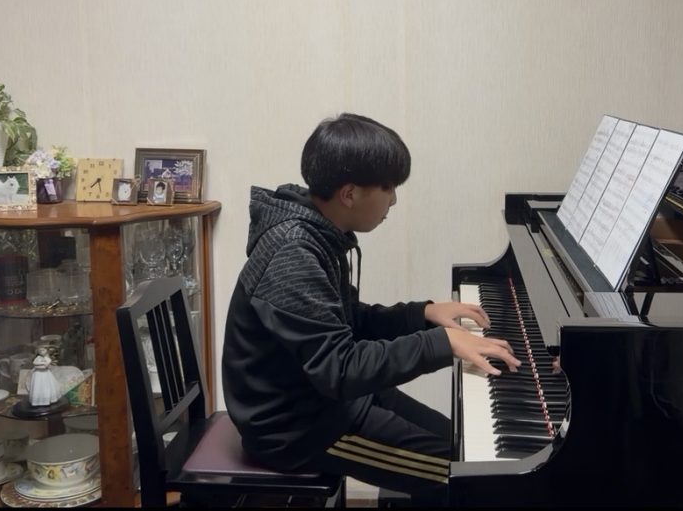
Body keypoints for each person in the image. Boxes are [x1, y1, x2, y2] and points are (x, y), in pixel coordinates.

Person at [222, 113, 520, 505]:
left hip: (325, 400)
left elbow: (347, 323)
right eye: (388, 188)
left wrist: (421, 314)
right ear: (349, 194)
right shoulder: (293, 252)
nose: (394, 200)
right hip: (296, 428)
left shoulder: (318, 231)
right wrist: (442, 343)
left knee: (463, 447)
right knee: (466, 478)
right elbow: (340, 369)